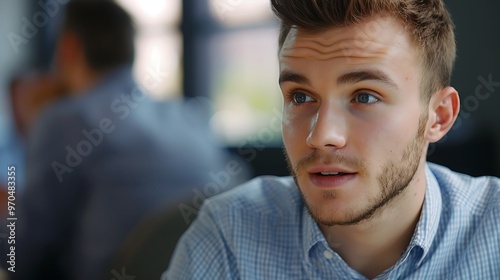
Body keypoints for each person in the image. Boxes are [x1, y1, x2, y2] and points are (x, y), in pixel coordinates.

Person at [163, 0, 500, 279]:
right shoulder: (230, 235)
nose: (321, 136)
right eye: (300, 97)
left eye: (365, 97)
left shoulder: (493, 230)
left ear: (439, 116)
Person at [11, 1, 239, 280]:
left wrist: (11, 210)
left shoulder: (65, 119)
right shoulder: (189, 117)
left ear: (69, 47)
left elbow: (20, 256)